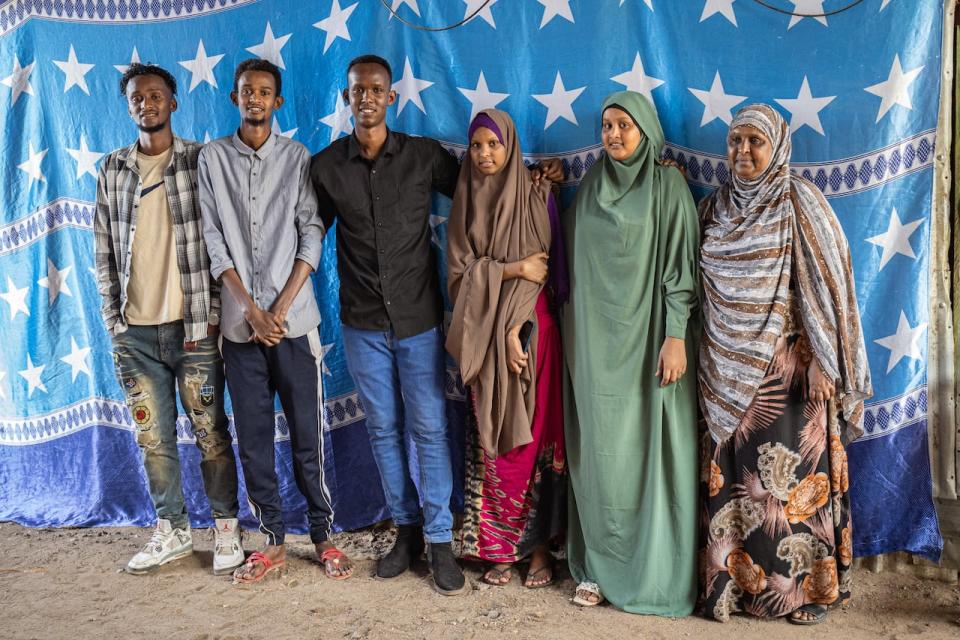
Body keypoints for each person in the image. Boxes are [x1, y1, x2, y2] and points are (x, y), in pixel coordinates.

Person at [310, 54, 562, 596]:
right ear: (346, 98)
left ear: (392, 97)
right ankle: (406, 533)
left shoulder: (424, 157)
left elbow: (486, 184)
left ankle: (441, 542)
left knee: (428, 428)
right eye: (358, 90)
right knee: (382, 429)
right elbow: (307, 235)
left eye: (377, 88)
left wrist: (537, 181)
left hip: (420, 320)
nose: (368, 97)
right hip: (360, 322)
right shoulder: (327, 167)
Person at [698, 104, 872, 625]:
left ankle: (810, 593)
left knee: (796, 487)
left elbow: (829, 284)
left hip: (791, 371)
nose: (743, 152)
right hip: (727, 378)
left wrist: (824, 359)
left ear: (777, 148)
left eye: (756, 142)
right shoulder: (716, 208)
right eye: (735, 142)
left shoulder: (801, 202)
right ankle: (739, 590)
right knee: (737, 487)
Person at [198, 59, 352, 584]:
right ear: (234, 97)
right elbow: (214, 240)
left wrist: (280, 309)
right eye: (247, 91)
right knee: (254, 438)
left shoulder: (297, 157)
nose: (255, 99)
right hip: (241, 330)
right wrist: (250, 309)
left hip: (293, 324)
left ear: (277, 101)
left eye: (265, 92)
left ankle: (323, 535)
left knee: (308, 434)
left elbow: (312, 232)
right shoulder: (213, 159)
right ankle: (272, 538)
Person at [95, 63, 243, 576]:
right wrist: (113, 320)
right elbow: (102, 252)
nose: (146, 104)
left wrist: (217, 316)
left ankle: (226, 528)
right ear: (128, 105)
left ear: (173, 103)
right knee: (153, 439)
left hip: (193, 328)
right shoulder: (112, 168)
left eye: (156, 96)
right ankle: (173, 530)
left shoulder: (201, 162)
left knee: (210, 432)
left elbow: (224, 240)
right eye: (137, 98)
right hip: (134, 334)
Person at [562, 91, 700, 614]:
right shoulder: (593, 185)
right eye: (606, 126)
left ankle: (657, 572)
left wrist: (675, 336)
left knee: (654, 452)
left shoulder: (668, 188)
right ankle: (598, 566)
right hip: (596, 349)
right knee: (601, 458)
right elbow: (564, 250)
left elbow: (680, 271)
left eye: (625, 125)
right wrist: (543, 189)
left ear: (646, 130)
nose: (613, 135)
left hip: (654, 346)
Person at [445, 110, 568, 589]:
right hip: (485, 339)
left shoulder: (538, 194)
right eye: (476, 146)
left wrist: (515, 328)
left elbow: (549, 274)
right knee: (497, 445)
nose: (484, 154)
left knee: (534, 442)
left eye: (493, 144)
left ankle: (538, 550)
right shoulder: (465, 204)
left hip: (533, 335)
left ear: (510, 146)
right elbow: (460, 280)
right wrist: (510, 270)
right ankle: (500, 549)